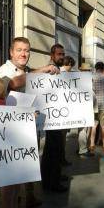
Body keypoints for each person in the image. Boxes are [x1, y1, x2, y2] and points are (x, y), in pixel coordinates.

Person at [0, 37, 59, 208]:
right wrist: (42, 70)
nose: (23, 54)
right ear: (10, 52)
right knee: (7, 180)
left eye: (27, 50)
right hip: (9, 134)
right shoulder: (5, 71)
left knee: (17, 179)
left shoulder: (27, 71)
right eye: (19, 50)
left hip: (26, 131)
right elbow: (11, 86)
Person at [41, 44, 69, 192]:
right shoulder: (49, 70)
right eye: (59, 54)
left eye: (63, 54)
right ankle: (51, 182)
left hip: (58, 116)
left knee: (54, 149)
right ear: (52, 55)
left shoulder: (59, 70)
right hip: (52, 118)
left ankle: (53, 178)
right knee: (53, 150)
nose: (62, 57)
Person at [77, 63, 95, 158]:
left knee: (83, 129)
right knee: (84, 129)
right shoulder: (85, 79)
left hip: (83, 106)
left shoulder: (79, 78)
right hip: (84, 107)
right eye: (88, 70)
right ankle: (82, 150)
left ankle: (82, 148)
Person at [90, 62, 104, 154]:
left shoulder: (92, 77)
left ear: (95, 67)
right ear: (103, 68)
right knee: (103, 125)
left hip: (94, 103)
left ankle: (92, 144)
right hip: (103, 104)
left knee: (94, 124)